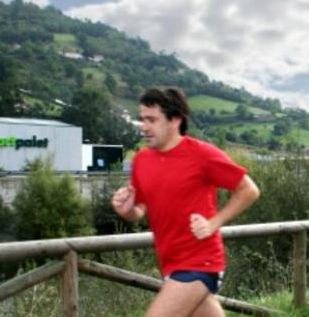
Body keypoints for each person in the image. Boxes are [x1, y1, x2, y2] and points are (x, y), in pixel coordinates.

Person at [111, 87, 260, 317]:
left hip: (201, 262)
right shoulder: (142, 160)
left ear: (175, 120)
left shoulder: (202, 154)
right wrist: (126, 210)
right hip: (169, 263)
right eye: (142, 119)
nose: (144, 126)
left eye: (152, 119)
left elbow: (249, 190)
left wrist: (213, 223)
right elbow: (139, 211)